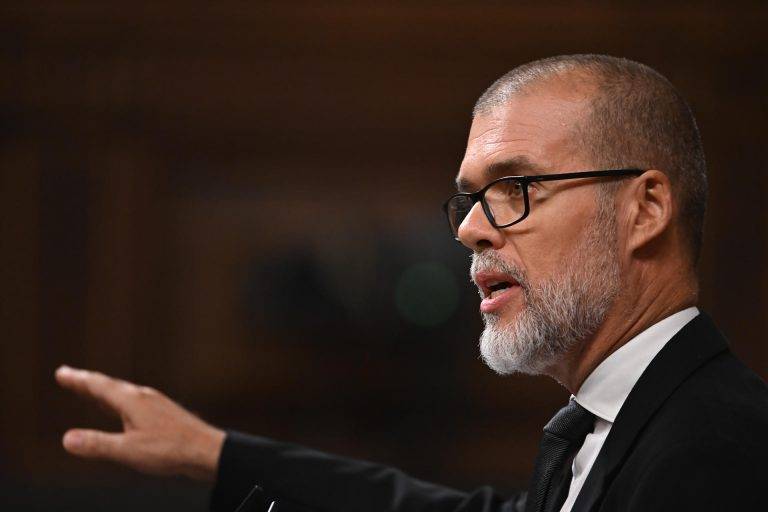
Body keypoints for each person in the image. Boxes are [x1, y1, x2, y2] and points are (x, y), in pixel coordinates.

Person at [55, 54, 768, 512]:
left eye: (516, 186)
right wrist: (215, 454)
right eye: (468, 198)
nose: (470, 230)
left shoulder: (720, 451)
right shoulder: (626, 424)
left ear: (645, 208)